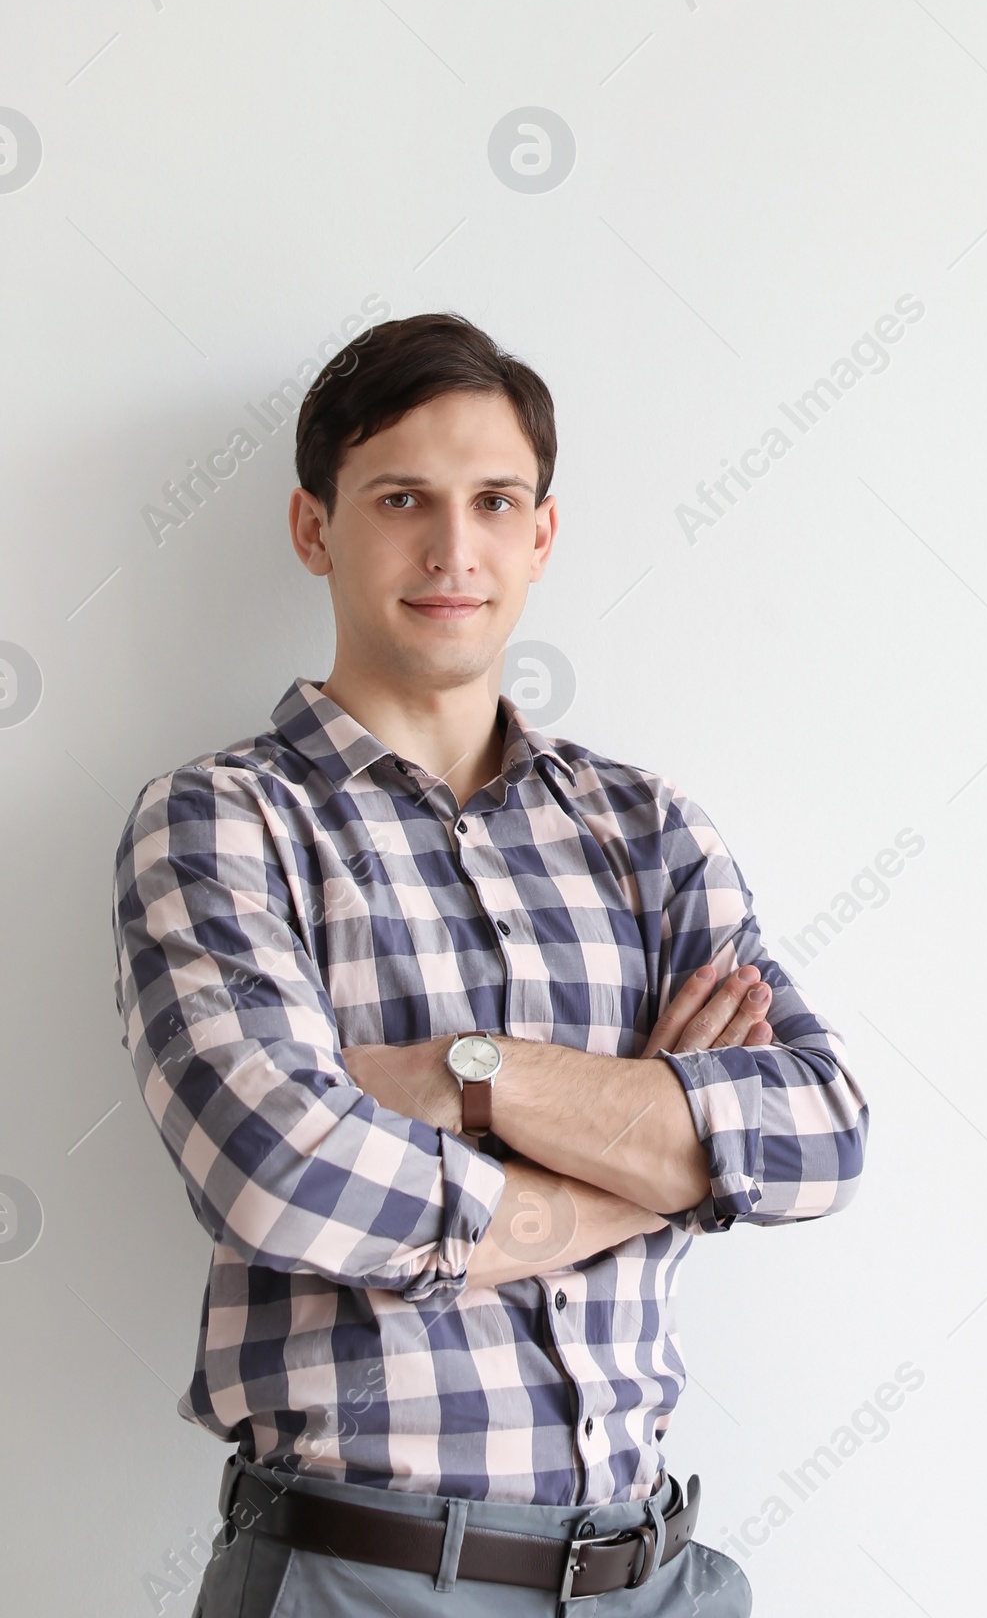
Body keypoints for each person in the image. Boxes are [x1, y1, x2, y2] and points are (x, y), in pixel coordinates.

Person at [113, 312, 868, 1614]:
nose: (452, 548)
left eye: (493, 500)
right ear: (315, 528)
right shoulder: (222, 822)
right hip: (368, 1577)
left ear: (541, 535)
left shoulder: (647, 833)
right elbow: (291, 1174)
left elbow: (815, 1135)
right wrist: (658, 1170)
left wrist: (471, 1074)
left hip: (660, 1574)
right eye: (402, 498)